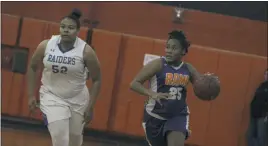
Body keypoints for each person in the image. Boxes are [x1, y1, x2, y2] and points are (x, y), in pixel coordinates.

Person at [130, 30, 218, 146]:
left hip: (177, 115)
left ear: (183, 51)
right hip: (154, 116)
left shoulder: (188, 68)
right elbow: (134, 84)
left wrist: (208, 82)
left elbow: (201, 83)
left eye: (174, 48)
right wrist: (151, 93)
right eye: (167, 47)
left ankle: (180, 128)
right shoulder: (158, 64)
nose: (169, 51)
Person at [27, 9, 101, 146]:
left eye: (71, 28)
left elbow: (97, 79)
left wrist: (91, 106)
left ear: (78, 31)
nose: (66, 30)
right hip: (52, 95)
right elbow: (32, 67)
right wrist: (31, 95)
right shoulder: (46, 45)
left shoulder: (86, 51)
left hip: (77, 98)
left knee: (74, 140)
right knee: (60, 137)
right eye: (63, 27)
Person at [247, 69, 268, 146]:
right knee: (250, 135)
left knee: (261, 136)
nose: (266, 76)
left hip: (263, 116)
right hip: (254, 114)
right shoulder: (262, 85)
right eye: (265, 74)